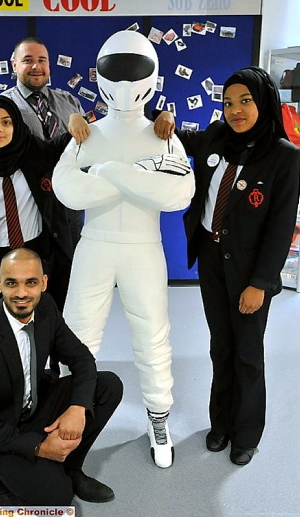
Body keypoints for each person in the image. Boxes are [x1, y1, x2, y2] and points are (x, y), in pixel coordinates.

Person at [52, 30, 195, 469]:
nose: (126, 84)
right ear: (100, 76)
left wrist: (109, 170)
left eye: (135, 74)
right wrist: (137, 175)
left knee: (152, 335)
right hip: (94, 246)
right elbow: (65, 189)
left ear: (151, 78)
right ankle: (67, 415)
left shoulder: (163, 134)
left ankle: (159, 418)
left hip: (142, 249)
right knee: (77, 335)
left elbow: (179, 194)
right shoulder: (85, 133)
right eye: (117, 73)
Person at [159, 66, 300, 466]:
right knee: (221, 347)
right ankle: (219, 425)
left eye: (245, 101)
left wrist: (260, 283)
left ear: (264, 101)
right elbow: (174, 134)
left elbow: (280, 228)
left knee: (248, 353)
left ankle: (246, 434)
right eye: (227, 102)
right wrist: (164, 116)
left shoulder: (283, 157)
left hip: (250, 271)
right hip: (211, 259)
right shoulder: (217, 137)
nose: (235, 110)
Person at [0, 248, 123, 506]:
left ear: (43, 283)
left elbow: (82, 359)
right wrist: (41, 447)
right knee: (59, 496)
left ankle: (71, 467)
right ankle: (1, 480)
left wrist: (77, 409)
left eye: (30, 282)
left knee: (108, 386)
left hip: (33, 406)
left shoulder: (45, 307)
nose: (22, 293)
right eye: (12, 283)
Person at [0, 95, 77, 313]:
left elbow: (65, 143)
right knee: (4, 329)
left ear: (16, 125)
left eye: (6, 122)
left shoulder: (32, 153)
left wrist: (77, 119)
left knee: (46, 322)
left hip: (39, 252)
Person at [1, 36, 90, 247]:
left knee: (69, 267)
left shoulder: (70, 102)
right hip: (27, 206)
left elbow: (87, 150)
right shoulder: (0, 107)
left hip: (69, 205)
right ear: (14, 64)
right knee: (30, 270)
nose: (36, 66)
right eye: (27, 60)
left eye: (42, 60)